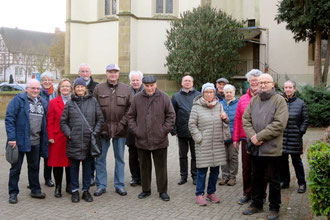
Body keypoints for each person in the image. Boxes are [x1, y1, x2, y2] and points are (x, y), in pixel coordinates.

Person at [242, 74, 288, 220]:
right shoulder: (255, 99)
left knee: (274, 179)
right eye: (260, 82)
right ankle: (257, 203)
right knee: (256, 177)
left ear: (272, 84)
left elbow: (279, 124)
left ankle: (274, 207)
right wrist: (253, 137)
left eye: (266, 82)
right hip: (256, 147)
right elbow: (246, 119)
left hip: (272, 148)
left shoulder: (279, 100)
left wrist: (259, 136)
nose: (262, 85)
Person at [128, 75, 175, 201]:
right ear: (143, 85)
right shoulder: (137, 98)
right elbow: (130, 117)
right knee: (144, 167)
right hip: (142, 139)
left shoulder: (164, 97)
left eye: (151, 85)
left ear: (156, 84)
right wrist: (137, 131)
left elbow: (171, 116)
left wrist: (163, 130)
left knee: (161, 167)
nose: (149, 88)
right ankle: (146, 189)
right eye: (147, 86)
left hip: (160, 139)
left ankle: (162, 191)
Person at [60, 78, 104, 203]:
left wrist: (95, 133)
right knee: (73, 168)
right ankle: (74, 191)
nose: (79, 89)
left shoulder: (93, 101)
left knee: (87, 168)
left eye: (82, 87)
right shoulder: (70, 103)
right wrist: (69, 134)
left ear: (85, 88)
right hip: (74, 141)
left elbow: (100, 119)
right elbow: (63, 122)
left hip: (88, 142)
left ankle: (85, 191)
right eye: (77, 87)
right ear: (74, 89)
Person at [5, 79, 48, 204]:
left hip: (36, 141)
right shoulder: (18, 100)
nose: (35, 91)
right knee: (15, 168)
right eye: (33, 88)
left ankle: (35, 189)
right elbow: (9, 119)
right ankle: (13, 193)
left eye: (37, 89)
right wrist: (12, 138)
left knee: (34, 167)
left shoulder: (43, 102)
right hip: (18, 141)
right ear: (27, 88)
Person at [93, 64, 132, 197]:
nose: (113, 74)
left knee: (120, 158)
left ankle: (119, 185)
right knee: (100, 158)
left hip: (120, 129)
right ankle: (101, 185)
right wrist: (101, 126)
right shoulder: (98, 89)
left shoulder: (126, 89)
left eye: (115, 72)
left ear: (119, 74)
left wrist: (122, 124)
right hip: (103, 130)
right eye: (110, 72)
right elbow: (95, 108)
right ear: (106, 73)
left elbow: (130, 110)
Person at [188, 83, 228, 206]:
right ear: (203, 93)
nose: (209, 94)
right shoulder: (197, 107)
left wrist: (225, 118)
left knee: (215, 170)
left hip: (217, 144)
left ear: (214, 93)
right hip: (203, 144)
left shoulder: (219, 105)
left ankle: (211, 192)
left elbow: (225, 122)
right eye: (207, 92)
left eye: (211, 92)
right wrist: (199, 138)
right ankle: (199, 194)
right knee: (202, 171)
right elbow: (192, 124)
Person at [232, 69, 267, 205]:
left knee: (261, 169)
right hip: (245, 139)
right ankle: (247, 193)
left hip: (261, 139)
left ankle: (262, 194)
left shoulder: (265, 98)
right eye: (252, 80)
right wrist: (235, 139)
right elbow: (237, 120)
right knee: (246, 168)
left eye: (257, 80)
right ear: (248, 82)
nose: (254, 83)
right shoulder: (242, 99)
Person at [171, 75, 200, 185]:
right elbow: (172, 114)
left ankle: (195, 176)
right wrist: (173, 130)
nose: (187, 82)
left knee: (195, 155)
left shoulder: (198, 95)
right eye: (185, 81)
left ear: (192, 83)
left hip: (195, 131)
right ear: (182, 83)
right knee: (182, 156)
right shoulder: (176, 97)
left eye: (189, 81)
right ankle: (183, 176)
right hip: (181, 131)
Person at [280, 80, 308, 193]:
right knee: (283, 162)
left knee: (297, 162)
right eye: (286, 87)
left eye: (290, 87)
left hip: (295, 138)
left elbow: (305, 120)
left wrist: (299, 133)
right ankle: (285, 182)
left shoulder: (301, 103)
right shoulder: (280, 102)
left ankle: (302, 183)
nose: (287, 89)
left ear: (294, 89)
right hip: (282, 138)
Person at [47, 78, 72, 198]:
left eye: (67, 86)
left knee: (70, 163)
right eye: (63, 86)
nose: (65, 88)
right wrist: (50, 136)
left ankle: (69, 185)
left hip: (71, 137)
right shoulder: (53, 102)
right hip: (57, 138)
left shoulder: (75, 101)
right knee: (57, 164)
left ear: (71, 88)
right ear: (59, 89)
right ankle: (58, 187)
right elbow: (50, 120)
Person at [78, 63, 99, 186]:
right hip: (78, 126)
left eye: (86, 71)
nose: (85, 74)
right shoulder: (75, 85)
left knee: (91, 155)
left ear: (90, 73)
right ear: (79, 73)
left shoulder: (96, 86)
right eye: (82, 71)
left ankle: (91, 176)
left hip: (91, 125)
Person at [218, 84, 239, 186]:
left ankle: (232, 177)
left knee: (233, 157)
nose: (229, 94)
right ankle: (224, 176)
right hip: (221, 135)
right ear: (224, 93)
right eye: (227, 92)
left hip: (234, 135)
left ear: (234, 93)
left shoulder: (238, 104)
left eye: (231, 92)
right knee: (223, 157)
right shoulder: (220, 104)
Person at [126, 70, 144, 186]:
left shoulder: (147, 90)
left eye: (137, 80)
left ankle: (143, 177)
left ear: (141, 81)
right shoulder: (126, 92)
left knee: (143, 155)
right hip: (130, 129)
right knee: (132, 155)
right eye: (133, 80)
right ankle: (134, 177)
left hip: (143, 128)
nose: (135, 82)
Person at [40, 72, 56, 187]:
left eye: (49, 80)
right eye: (44, 80)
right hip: (38, 127)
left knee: (48, 155)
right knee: (34, 157)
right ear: (41, 82)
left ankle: (48, 178)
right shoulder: (37, 91)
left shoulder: (55, 93)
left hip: (51, 127)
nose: (47, 82)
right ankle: (33, 180)